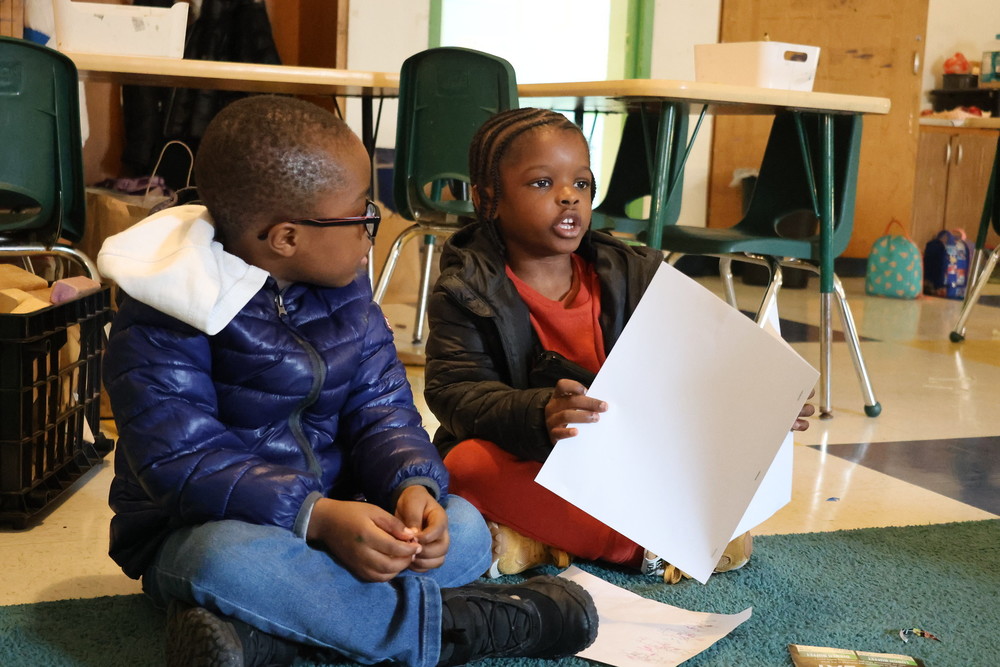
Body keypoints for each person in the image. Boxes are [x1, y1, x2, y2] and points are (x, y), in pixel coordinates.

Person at [98, 96, 598, 667]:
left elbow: (383, 411)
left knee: (463, 532)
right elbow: (181, 462)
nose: (370, 230)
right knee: (224, 562)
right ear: (285, 237)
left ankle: (268, 642)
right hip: (205, 529)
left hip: (347, 515)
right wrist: (316, 517)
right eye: (361, 214)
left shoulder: (348, 288)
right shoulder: (166, 307)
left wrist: (411, 490)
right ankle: (459, 629)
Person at [423, 107, 814, 583]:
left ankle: (540, 542)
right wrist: (537, 412)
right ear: (489, 199)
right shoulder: (466, 287)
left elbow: (705, 360)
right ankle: (641, 550)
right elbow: (456, 393)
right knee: (464, 466)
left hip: (637, 461)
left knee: (731, 457)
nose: (569, 196)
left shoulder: (632, 271)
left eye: (582, 184)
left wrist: (766, 401)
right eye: (542, 183)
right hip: (534, 453)